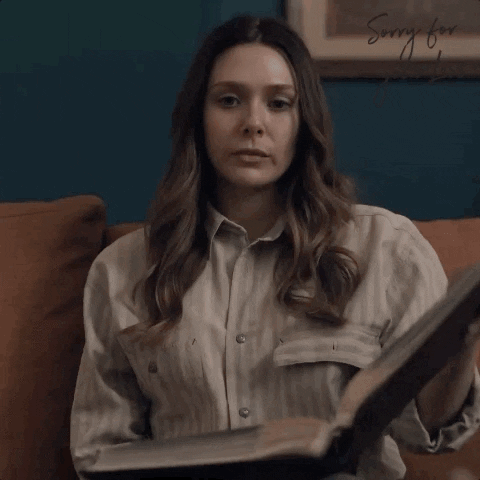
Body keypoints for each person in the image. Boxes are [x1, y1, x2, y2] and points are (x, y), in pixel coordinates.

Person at [70, 14, 480, 480]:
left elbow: (431, 431)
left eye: (279, 103)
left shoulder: (388, 249)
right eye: (229, 100)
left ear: (304, 121)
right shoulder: (121, 270)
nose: (253, 123)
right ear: (198, 117)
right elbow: (99, 453)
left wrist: (460, 341)